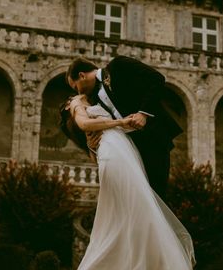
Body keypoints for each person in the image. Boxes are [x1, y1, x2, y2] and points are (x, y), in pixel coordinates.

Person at [31, 91, 195, 270]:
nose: (78, 90)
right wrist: (120, 122)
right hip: (114, 155)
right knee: (134, 213)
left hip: (124, 153)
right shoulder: (75, 103)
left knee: (136, 214)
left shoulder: (95, 99)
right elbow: (84, 125)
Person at [65, 56, 182, 200]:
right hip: (129, 149)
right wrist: (91, 145)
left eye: (75, 87)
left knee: (156, 194)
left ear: (82, 75)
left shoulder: (119, 65)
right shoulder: (93, 100)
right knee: (136, 197)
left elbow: (157, 79)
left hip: (153, 138)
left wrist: (143, 113)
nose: (78, 92)